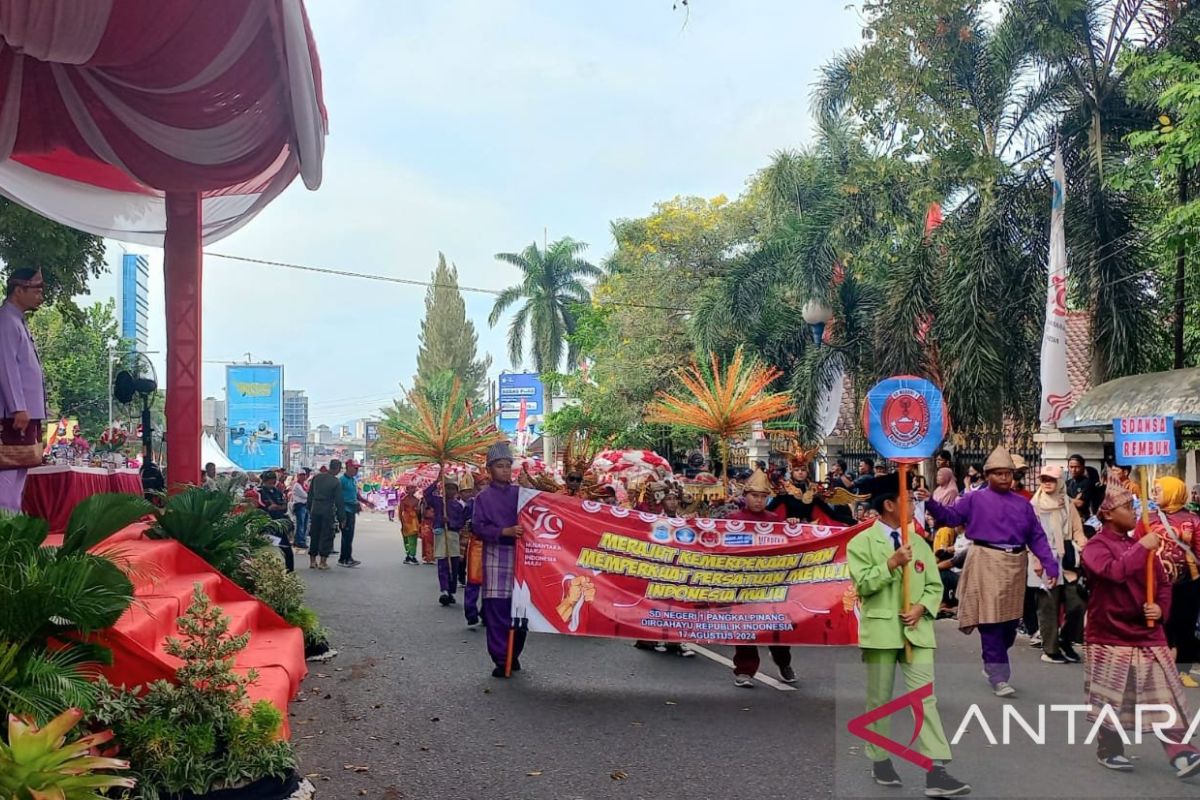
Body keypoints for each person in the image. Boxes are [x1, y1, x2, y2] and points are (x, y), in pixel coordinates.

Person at [847, 473, 970, 797]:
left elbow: (934, 585)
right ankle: (880, 758)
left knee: (924, 700)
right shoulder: (860, 543)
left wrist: (922, 608)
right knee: (879, 699)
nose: (915, 504)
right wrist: (891, 563)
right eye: (910, 500)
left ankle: (936, 771)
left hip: (916, 632)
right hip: (880, 633)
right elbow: (862, 586)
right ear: (889, 504)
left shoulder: (918, 541)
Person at [918, 446, 1060, 698]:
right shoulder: (974, 498)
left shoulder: (1023, 504)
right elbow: (950, 517)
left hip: (1015, 564)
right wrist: (929, 501)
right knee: (991, 620)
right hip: (985, 559)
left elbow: (1036, 536)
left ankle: (994, 659)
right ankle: (998, 675)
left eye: (1009, 473)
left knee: (1008, 624)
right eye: (999, 474)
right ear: (987, 475)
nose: (1005, 478)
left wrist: (1050, 564)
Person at [1081, 484, 1200, 778]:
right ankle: (1109, 749)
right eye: (1127, 508)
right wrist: (1142, 547)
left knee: (1165, 695)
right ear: (1108, 514)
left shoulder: (1142, 545)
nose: (1135, 513)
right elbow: (1113, 573)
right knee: (1114, 698)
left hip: (1148, 634)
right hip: (1109, 633)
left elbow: (1162, 584)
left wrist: (1160, 609)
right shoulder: (1096, 547)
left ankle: (1182, 753)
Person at [726, 470, 794, 687]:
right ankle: (744, 670)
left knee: (777, 630)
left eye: (763, 496)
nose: (759, 500)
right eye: (754, 496)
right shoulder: (732, 521)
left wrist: (792, 527)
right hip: (743, 585)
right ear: (745, 496)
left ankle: (784, 663)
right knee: (745, 628)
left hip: (770, 585)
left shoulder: (775, 521)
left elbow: (790, 547)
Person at [472, 442, 527, 678]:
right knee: (497, 609)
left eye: (508, 466)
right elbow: (477, 527)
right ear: (489, 469)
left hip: (522, 557)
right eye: (500, 466)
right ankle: (500, 657)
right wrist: (503, 532)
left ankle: (513, 654)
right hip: (495, 555)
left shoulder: (522, 494)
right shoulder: (483, 498)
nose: (505, 470)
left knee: (521, 610)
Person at [1139, 476, 1200, 688]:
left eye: (1159, 490)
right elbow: (1136, 547)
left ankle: (1183, 671)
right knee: (1159, 624)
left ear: (1174, 492)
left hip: (1187, 583)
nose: (1155, 495)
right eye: (1154, 490)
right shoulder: (1148, 519)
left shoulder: (1193, 520)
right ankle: (1159, 669)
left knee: (1185, 626)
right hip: (1155, 583)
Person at [0, 268, 47, 512]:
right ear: (18, 290)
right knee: (7, 479)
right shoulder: (6, 320)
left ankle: (12, 536)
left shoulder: (17, 320)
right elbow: (6, 366)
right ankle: (5, 537)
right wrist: (18, 407)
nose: (40, 296)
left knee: (18, 476)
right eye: (35, 290)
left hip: (23, 413)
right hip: (12, 415)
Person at [1028, 465, 1086, 664]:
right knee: (1048, 605)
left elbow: (1077, 529)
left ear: (1060, 481)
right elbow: (1029, 535)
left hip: (1068, 560)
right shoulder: (1034, 505)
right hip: (1043, 558)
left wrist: (1083, 545)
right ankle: (1051, 649)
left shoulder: (1067, 503)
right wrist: (1037, 559)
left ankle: (1067, 640)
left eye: (1051, 479)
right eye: (1044, 478)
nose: (1047, 482)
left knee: (1077, 603)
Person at [428, 477, 467, 606]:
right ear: (443, 489)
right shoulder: (439, 502)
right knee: (443, 564)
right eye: (447, 488)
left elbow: (461, 522)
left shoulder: (458, 506)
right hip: (441, 535)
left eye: (452, 489)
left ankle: (450, 591)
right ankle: (444, 589)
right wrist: (437, 480)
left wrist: (449, 522)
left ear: (456, 491)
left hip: (453, 536)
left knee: (454, 565)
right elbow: (426, 494)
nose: (450, 491)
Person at [257, 470, 294, 572]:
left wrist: (276, 507)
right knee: (269, 552)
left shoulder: (278, 491)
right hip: (266, 527)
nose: (272, 484)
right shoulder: (259, 492)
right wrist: (275, 507)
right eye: (270, 482)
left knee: (287, 550)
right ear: (264, 481)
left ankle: (289, 573)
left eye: (273, 482)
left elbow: (284, 506)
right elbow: (265, 508)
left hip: (279, 525)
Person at [338, 460, 369, 567]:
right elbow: (338, 497)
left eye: (357, 468)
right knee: (346, 535)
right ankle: (345, 559)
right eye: (355, 468)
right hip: (345, 510)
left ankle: (345, 557)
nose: (357, 470)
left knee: (349, 535)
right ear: (348, 467)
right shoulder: (342, 480)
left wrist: (367, 502)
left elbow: (357, 495)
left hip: (351, 510)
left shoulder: (352, 480)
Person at [1066, 455, 1103, 519]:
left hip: (1083, 518)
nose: (1073, 470)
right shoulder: (1067, 483)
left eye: (1077, 467)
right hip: (1068, 517)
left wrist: (1065, 499)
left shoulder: (1087, 483)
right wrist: (1073, 500)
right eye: (1071, 467)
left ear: (1083, 467)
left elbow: (1079, 503)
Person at [398, 485, 421, 565]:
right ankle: (408, 554)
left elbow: (419, 513)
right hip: (406, 520)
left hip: (414, 521)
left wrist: (418, 510)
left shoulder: (417, 500)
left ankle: (412, 555)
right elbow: (400, 511)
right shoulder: (403, 500)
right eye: (411, 488)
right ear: (407, 489)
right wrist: (401, 521)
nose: (413, 490)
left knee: (413, 538)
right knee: (406, 539)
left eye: (414, 488)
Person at [290, 468, 310, 550]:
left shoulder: (304, 484)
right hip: (300, 506)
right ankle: (299, 541)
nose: (303, 477)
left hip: (305, 506)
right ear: (298, 476)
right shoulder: (297, 485)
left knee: (305, 524)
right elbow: (305, 495)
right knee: (300, 525)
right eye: (301, 475)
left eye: (304, 475)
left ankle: (301, 540)